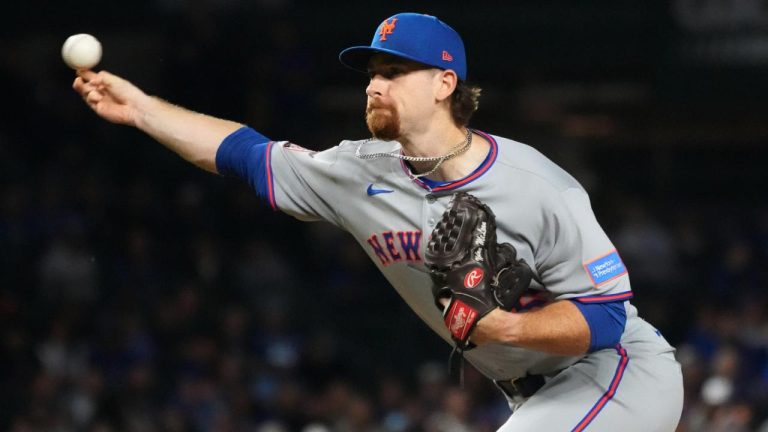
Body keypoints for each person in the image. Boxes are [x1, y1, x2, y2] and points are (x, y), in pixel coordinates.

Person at [72, 12, 683, 431]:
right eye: (371, 73)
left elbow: (606, 316)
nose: (374, 85)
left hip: (615, 374)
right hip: (533, 395)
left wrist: (505, 326)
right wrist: (144, 110)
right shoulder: (356, 171)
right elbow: (244, 154)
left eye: (393, 72)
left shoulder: (534, 183)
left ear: (445, 83)